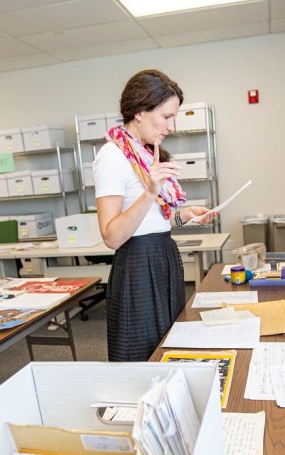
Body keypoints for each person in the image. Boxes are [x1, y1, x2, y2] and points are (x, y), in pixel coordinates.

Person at [94, 69, 214, 362]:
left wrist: (184, 216)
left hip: (162, 254)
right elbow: (112, 236)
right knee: (141, 354)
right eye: (166, 116)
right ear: (139, 112)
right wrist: (150, 190)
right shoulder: (112, 156)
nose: (171, 127)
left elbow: (155, 220)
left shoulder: (147, 153)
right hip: (137, 263)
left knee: (169, 346)